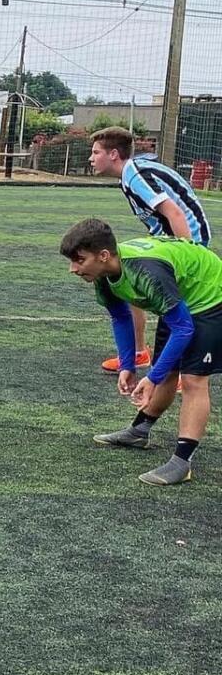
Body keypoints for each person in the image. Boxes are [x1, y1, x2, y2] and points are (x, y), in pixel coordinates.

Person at [61, 218, 222, 486]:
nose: (73, 269)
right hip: (181, 297)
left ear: (103, 255)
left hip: (211, 295)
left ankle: (182, 463)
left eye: (79, 260)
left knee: (193, 379)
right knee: (167, 369)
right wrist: (128, 365)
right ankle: (139, 431)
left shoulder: (147, 272)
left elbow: (183, 329)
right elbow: (121, 317)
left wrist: (152, 378)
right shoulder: (104, 274)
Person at [89, 126, 210, 373]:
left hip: (188, 238)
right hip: (164, 239)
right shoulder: (128, 175)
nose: (91, 158)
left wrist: (187, 253)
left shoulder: (136, 175)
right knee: (131, 278)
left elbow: (175, 213)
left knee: (180, 303)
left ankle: (184, 370)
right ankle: (139, 353)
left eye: (95, 152)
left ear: (113, 154)